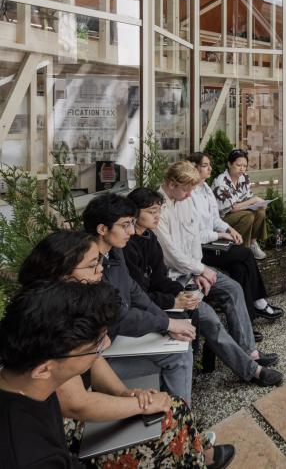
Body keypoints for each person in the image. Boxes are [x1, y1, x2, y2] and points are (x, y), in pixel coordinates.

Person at [17, 232, 233, 469]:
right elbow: (76, 403)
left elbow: (94, 358)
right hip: (67, 432)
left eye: (100, 261)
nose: (101, 269)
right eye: (92, 265)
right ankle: (193, 454)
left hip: (84, 404)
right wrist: (141, 404)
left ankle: (195, 451)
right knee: (168, 410)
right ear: (63, 273)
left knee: (171, 403)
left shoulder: (76, 302)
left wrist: (125, 393)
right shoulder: (47, 319)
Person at [155, 160, 283, 387]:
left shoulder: (184, 199)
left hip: (194, 270)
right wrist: (199, 270)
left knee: (233, 288)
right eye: (185, 190)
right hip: (174, 280)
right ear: (170, 183)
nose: (188, 195)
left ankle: (250, 351)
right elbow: (171, 253)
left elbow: (193, 237)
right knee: (211, 320)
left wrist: (199, 271)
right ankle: (251, 370)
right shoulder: (158, 208)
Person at [80, 194, 196, 404]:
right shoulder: (87, 265)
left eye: (132, 223)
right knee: (177, 358)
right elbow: (120, 315)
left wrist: (164, 320)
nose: (132, 232)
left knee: (180, 351)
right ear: (102, 229)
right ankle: (178, 424)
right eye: (125, 225)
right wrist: (167, 322)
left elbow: (133, 290)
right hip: (92, 359)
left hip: (113, 341)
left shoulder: (114, 251)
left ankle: (176, 423)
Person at [0, 280, 119, 469]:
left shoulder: (29, 385)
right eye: (95, 346)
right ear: (44, 369)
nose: (106, 346)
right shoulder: (29, 456)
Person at [188, 151, 283, 322]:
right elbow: (195, 234)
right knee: (245, 254)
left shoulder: (205, 188)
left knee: (239, 269)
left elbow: (215, 219)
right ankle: (259, 303)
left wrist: (230, 230)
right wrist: (221, 234)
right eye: (205, 165)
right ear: (193, 168)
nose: (210, 168)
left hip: (212, 241)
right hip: (200, 249)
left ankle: (246, 318)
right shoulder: (190, 194)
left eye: (209, 165)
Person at [212, 148, 268, 257]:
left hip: (240, 211)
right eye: (238, 165)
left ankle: (252, 243)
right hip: (222, 218)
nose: (242, 169)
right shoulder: (221, 182)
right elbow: (231, 208)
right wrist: (254, 200)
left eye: (244, 166)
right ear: (229, 164)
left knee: (261, 211)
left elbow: (248, 197)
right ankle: (241, 247)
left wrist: (259, 203)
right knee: (248, 216)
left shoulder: (244, 177)